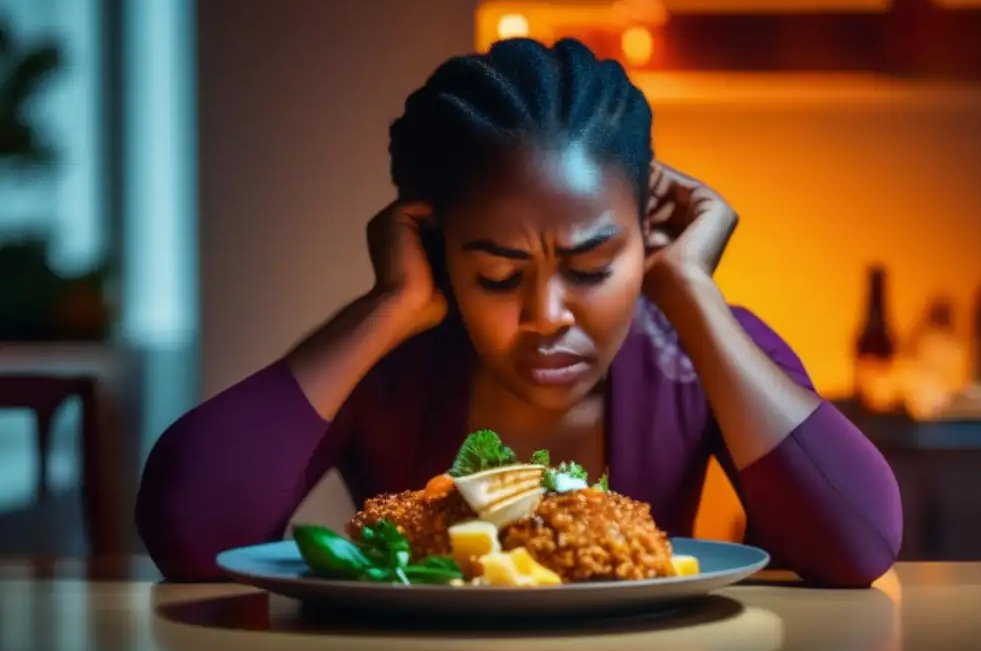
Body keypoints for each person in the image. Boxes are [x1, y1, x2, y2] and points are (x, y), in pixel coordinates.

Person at [136, 38, 902, 586]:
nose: (548, 314)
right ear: (440, 254)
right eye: (499, 276)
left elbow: (859, 544)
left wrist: (694, 295)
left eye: (594, 268)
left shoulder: (689, 354)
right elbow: (188, 531)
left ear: (647, 239)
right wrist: (387, 306)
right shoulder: (396, 364)